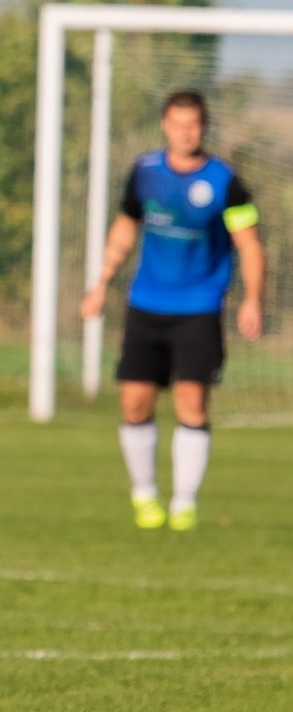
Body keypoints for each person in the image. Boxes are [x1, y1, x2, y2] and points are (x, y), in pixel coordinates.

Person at [81, 90, 264, 532]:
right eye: (178, 124)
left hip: (200, 307)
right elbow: (126, 227)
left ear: (204, 127)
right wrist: (100, 283)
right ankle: (144, 494)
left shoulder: (225, 180)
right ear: (164, 124)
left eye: (194, 124)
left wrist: (253, 298)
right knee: (135, 402)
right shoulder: (145, 173)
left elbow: (249, 244)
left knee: (192, 402)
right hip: (146, 304)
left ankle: (184, 502)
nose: (186, 132)